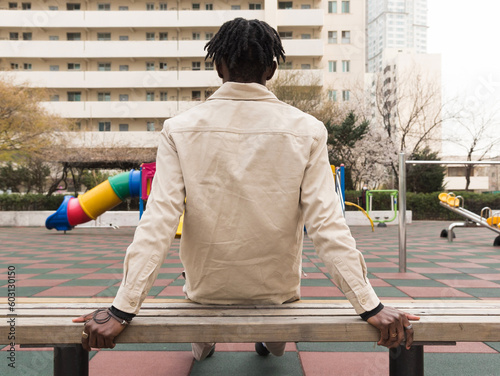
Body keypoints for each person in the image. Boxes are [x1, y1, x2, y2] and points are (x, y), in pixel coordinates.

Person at [74, 17, 418, 362]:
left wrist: (122, 309)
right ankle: (269, 342)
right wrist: (369, 305)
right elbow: (327, 226)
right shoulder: (308, 130)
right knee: (277, 340)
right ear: (272, 68)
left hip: (206, 290)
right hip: (276, 292)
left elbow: (159, 221)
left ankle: (205, 345)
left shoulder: (179, 129)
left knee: (198, 318)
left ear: (218, 65)